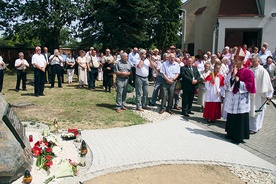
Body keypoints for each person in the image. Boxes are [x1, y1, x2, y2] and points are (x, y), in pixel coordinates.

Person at [224, 58, 256, 143]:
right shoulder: (233, 72)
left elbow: (249, 86)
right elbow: (228, 84)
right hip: (233, 97)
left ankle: (239, 136)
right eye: (234, 62)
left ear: (242, 62)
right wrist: (233, 77)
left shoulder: (248, 72)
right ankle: (231, 133)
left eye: (236, 61)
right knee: (232, 115)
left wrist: (238, 82)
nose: (235, 63)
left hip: (241, 98)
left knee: (240, 117)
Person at [249, 56, 274, 134]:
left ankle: (255, 127)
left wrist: (267, 94)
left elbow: (266, 83)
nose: (252, 63)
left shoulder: (262, 71)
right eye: (252, 61)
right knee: (250, 110)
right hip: (251, 94)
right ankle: (250, 126)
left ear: (258, 61)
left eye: (254, 61)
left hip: (259, 95)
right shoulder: (250, 70)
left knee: (257, 110)